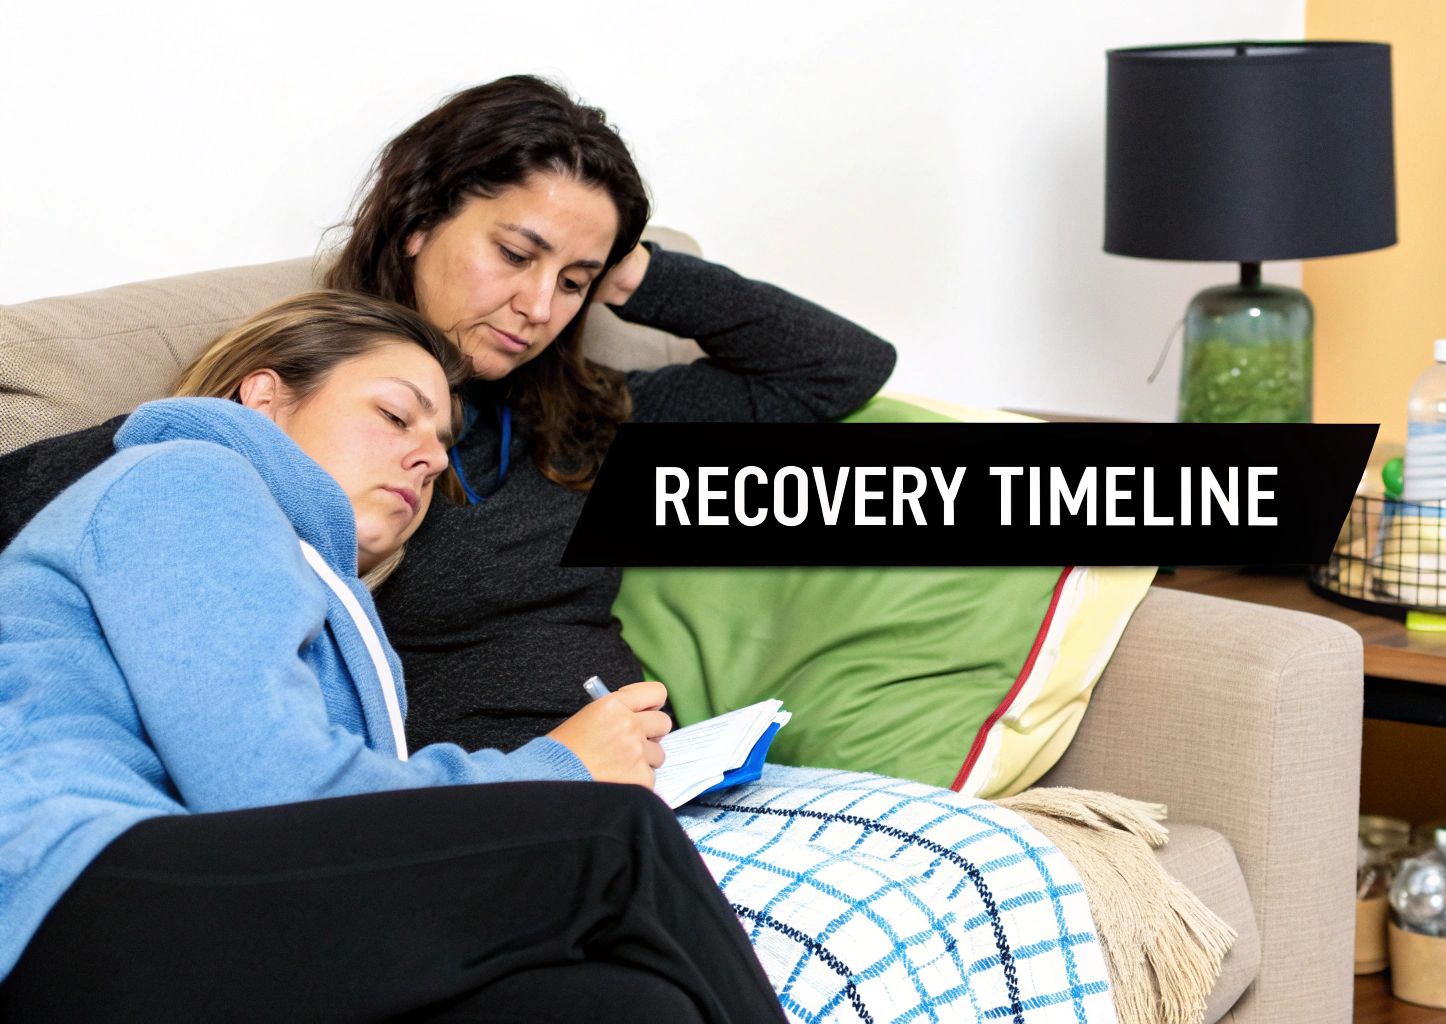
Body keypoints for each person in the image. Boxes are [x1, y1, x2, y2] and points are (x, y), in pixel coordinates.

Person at [0, 74, 897, 754]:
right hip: (490, 793)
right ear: (421, 219)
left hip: (668, 769)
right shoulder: (312, 405)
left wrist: (633, 266)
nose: (539, 306)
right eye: (516, 253)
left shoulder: (586, 418)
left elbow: (840, 369)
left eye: (573, 282)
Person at [0, 292, 786, 1022]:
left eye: (442, 441)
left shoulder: (328, 598)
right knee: (616, 835)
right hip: (61, 894)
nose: (432, 458)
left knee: (628, 1003)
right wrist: (559, 767)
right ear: (264, 396)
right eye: (395, 415)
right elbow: (276, 791)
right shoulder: (186, 479)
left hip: (223, 914)